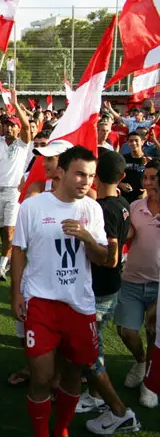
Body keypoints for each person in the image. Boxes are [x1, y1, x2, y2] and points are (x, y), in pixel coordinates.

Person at [10, 146, 109, 437]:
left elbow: (103, 258)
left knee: (73, 374)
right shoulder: (34, 206)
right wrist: (16, 294)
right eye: (79, 173)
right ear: (61, 173)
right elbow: (18, 250)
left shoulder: (92, 209)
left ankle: (62, 428)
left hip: (79, 304)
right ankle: (42, 432)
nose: (86, 181)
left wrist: (87, 237)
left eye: (90, 175)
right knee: (41, 377)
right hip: (41, 302)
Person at [75, 152, 141, 435]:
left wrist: (88, 238)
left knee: (91, 349)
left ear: (95, 176)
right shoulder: (124, 204)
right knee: (92, 344)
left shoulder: (101, 208)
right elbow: (129, 235)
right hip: (110, 285)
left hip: (100, 287)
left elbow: (111, 256)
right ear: (123, 177)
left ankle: (115, 409)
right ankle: (94, 395)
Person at [114, 159, 160, 409]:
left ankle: (149, 383)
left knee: (155, 334)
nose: (148, 183)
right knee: (127, 331)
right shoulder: (135, 207)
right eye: (146, 178)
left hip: (159, 286)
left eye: (153, 178)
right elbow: (127, 236)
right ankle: (141, 362)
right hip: (131, 280)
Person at [0, 94, 33, 282]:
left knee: (10, 230)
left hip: (14, 191)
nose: (9, 127)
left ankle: (1, 267)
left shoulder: (22, 144)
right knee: (3, 232)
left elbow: (27, 126)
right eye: (7, 125)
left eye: (13, 125)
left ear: (17, 128)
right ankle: (9, 257)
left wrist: (15, 104)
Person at [120, 131, 147, 203]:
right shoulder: (123, 159)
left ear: (142, 142)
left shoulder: (148, 159)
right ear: (128, 143)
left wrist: (146, 192)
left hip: (141, 198)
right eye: (131, 141)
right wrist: (120, 184)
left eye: (136, 140)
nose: (133, 143)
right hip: (125, 198)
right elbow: (115, 177)